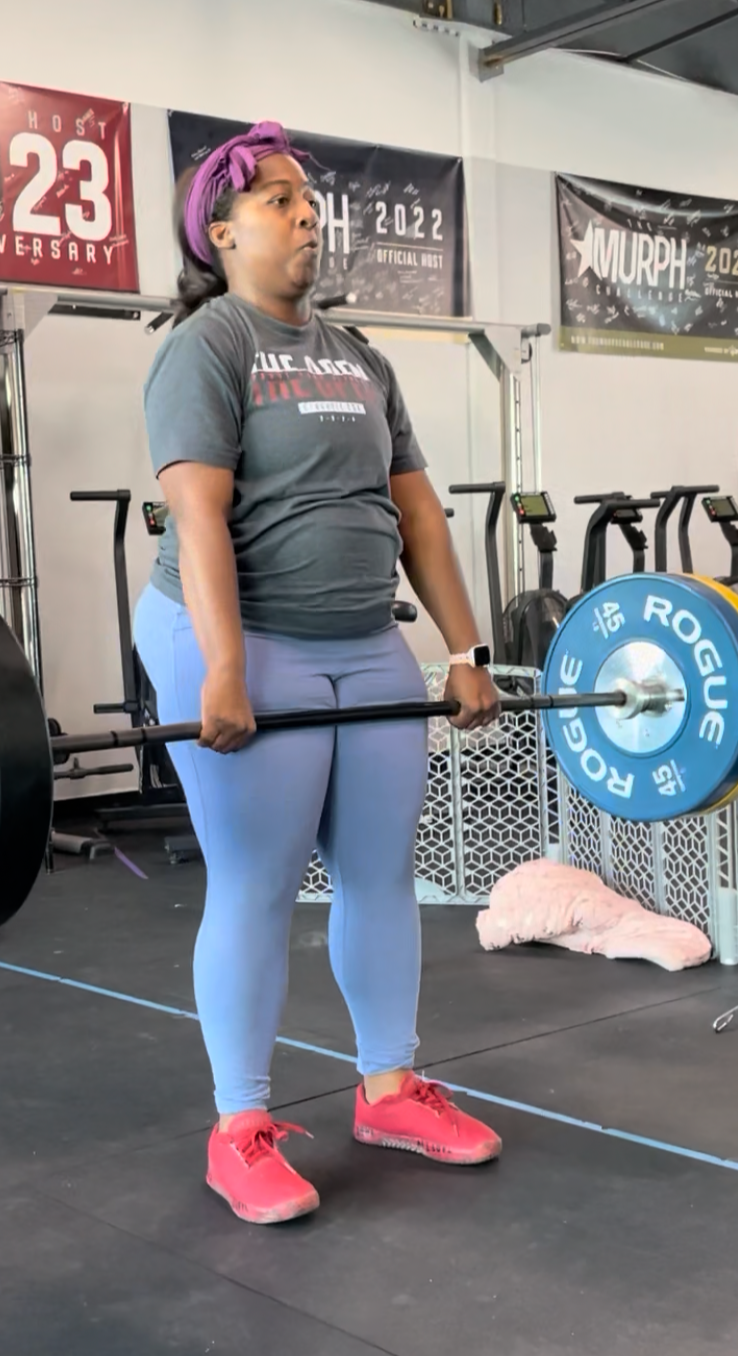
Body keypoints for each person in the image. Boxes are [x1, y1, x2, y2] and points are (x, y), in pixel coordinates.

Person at [133, 121, 502, 1225]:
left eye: (308, 199)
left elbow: (417, 513)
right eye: (279, 200)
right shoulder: (207, 346)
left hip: (363, 640)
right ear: (219, 231)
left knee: (380, 872)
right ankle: (238, 1127)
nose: (306, 215)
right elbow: (197, 513)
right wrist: (224, 666)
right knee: (257, 880)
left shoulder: (359, 357)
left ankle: (388, 1089)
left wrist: (465, 652)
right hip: (244, 638)